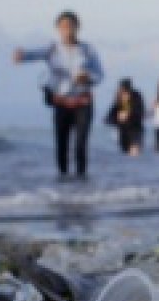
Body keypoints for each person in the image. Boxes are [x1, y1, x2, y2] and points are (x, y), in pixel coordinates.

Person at [13, 11, 104, 179]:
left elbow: (100, 75)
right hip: (61, 102)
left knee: (80, 146)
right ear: (57, 29)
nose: (67, 30)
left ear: (78, 27)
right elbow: (32, 55)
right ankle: (63, 184)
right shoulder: (52, 49)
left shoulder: (88, 49)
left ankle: (82, 184)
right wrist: (21, 56)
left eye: (70, 26)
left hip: (83, 102)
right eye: (63, 26)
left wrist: (88, 77)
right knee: (61, 145)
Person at [106, 78, 145, 156]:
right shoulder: (118, 100)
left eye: (126, 91)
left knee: (134, 153)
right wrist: (117, 118)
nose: (124, 93)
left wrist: (128, 114)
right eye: (122, 90)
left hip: (135, 129)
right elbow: (109, 117)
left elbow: (140, 112)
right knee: (124, 153)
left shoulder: (136, 97)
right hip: (123, 130)